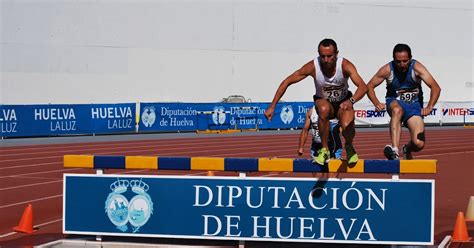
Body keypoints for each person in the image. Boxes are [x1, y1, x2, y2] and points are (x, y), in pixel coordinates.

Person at [264, 38, 367, 165]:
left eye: (329, 56)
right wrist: (272, 106)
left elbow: (363, 86)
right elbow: (287, 81)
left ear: (336, 53)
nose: (326, 60)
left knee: (346, 125)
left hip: (343, 103)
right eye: (322, 56)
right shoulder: (313, 66)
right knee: (323, 109)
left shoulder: (345, 65)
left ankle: (349, 146)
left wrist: (351, 101)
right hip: (324, 102)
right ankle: (324, 150)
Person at [366, 43, 441, 160]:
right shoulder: (387, 69)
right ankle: (394, 150)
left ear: (410, 59)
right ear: (393, 59)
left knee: (419, 144)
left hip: (413, 107)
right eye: (398, 61)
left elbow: (435, 87)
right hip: (394, 102)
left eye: (405, 61)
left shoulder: (417, 68)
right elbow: (369, 86)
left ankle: (407, 148)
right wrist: (376, 102)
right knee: (397, 110)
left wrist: (430, 106)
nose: (402, 64)